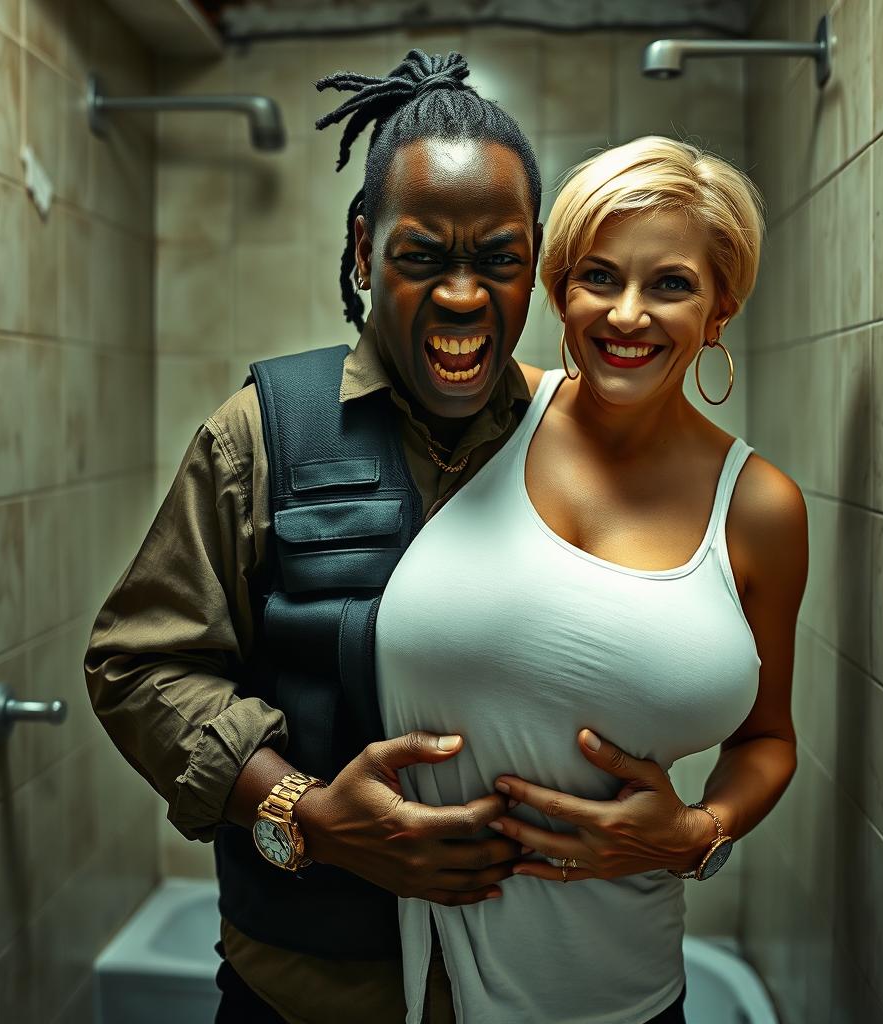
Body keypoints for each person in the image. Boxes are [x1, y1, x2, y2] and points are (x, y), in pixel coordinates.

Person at [85, 49, 545, 1023]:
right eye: (422, 255)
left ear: (534, 258)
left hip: (543, 989)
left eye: (498, 258)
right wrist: (303, 809)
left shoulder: (578, 438)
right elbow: (136, 666)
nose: (464, 296)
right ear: (362, 247)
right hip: (303, 995)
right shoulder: (260, 433)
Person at [374, 136, 807, 1023]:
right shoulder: (487, 421)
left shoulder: (760, 507)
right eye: (600, 277)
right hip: (422, 991)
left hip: (631, 997)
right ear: (559, 290)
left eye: (672, 285)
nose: (629, 315)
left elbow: (768, 741)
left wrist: (695, 834)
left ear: (721, 307)